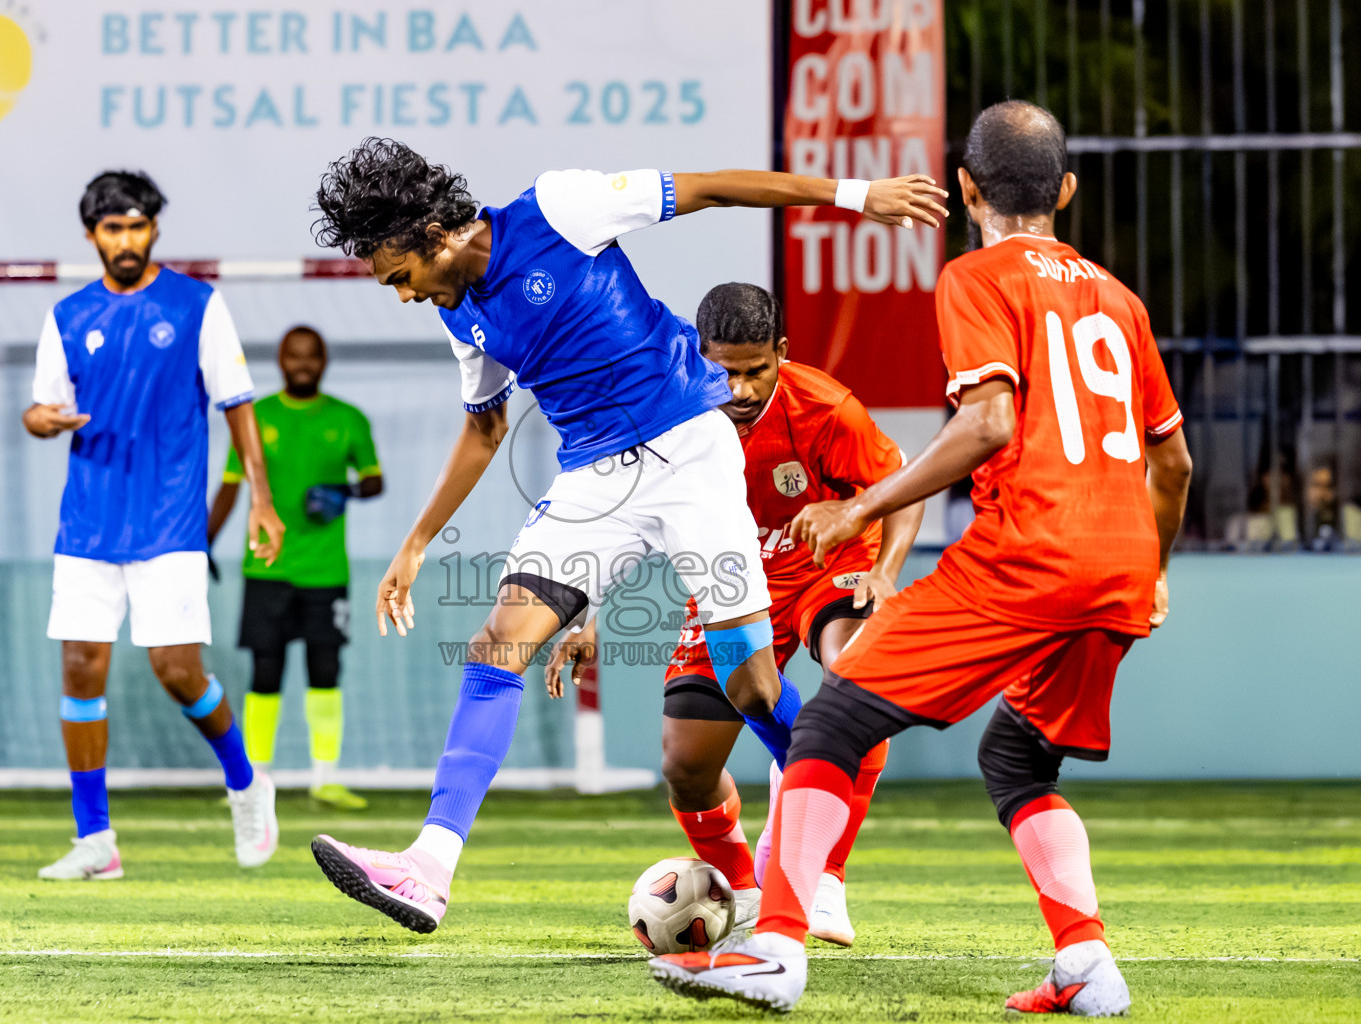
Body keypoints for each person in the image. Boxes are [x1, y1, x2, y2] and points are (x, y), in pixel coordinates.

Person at [304, 137, 948, 934]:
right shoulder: (457, 315)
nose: (401, 295)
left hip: (689, 446)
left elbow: (716, 184)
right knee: (498, 643)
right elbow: (484, 429)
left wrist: (856, 195)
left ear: (431, 234)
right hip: (591, 480)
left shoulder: (560, 209)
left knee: (748, 685)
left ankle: (813, 843)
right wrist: (415, 541)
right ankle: (428, 868)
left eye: (398, 277)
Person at [648, 100, 1193, 1017]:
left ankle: (777, 947)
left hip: (1026, 557)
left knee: (827, 728)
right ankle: (1088, 966)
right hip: (1123, 562)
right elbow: (1171, 462)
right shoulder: (1121, 300)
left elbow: (987, 424)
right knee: (1019, 761)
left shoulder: (976, 278)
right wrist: (1156, 566)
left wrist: (858, 506)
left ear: (968, 187)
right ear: (1065, 189)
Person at [543, 282, 923, 944]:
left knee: (857, 673)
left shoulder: (828, 410)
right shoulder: (667, 416)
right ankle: (745, 893)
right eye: (725, 371)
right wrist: (589, 614)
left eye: (756, 371)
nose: (741, 389)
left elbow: (901, 486)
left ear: (781, 352)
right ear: (697, 354)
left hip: (827, 566)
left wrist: (885, 572)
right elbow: (623, 518)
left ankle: (824, 879)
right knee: (686, 765)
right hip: (729, 580)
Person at [24, 170, 285, 880]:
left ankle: (244, 781)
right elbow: (40, 408)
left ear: (155, 228)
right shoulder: (68, 316)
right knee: (80, 669)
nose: (127, 240)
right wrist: (42, 419)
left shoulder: (197, 305)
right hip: (87, 522)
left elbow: (237, 403)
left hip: (170, 521)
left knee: (176, 670)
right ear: (92, 236)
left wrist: (260, 499)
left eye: (138, 226)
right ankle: (96, 841)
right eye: (113, 229)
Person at [207, 326, 384, 810]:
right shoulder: (256, 417)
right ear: (281, 361)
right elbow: (229, 486)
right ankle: (253, 780)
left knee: (325, 669)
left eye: (311, 356)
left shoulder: (349, 420)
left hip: (326, 572)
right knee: (265, 671)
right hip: (266, 567)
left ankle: (325, 779)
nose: (302, 364)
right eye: (294, 356)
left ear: (323, 360)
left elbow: (374, 481)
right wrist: (201, 543)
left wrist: (342, 492)